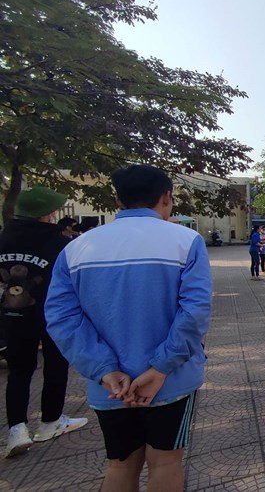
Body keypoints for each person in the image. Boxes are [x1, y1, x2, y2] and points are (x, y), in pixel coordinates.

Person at [44, 164, 211, 492]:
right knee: (165, 463)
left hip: (110, 386)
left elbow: (61, 317)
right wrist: (160, 368)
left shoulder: (77, 248)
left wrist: (104, 369)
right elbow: (194, 312)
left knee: (119, 465)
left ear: (118, 200)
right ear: (167, 197)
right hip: (170, 381)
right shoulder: (185, 241)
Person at [2, 186, 88, 458]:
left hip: (13, 314)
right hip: (54, 314)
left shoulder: (3, 238)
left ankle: (17, 429)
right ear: (46, 215)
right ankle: (50, 421)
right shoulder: (59, 242)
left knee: (19, 371)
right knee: (55, 365)